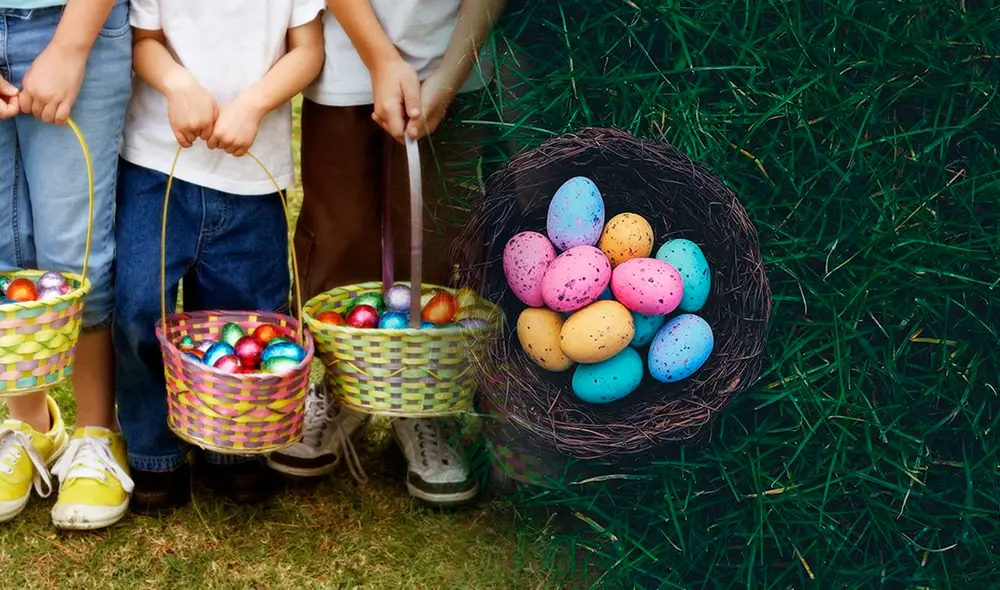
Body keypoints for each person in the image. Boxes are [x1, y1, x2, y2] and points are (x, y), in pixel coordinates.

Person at [267, 0, 505, 508]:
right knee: (338, 232)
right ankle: (337, 387)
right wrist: (379, 59)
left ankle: (424, 405)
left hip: (452, 63)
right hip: (346, 59)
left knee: (437, 238)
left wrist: (451, 72)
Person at [113, 0, 324, 513]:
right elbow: (145, 41)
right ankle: (152, 450)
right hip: (157, 163)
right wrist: (179, 85)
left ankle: (233, 448)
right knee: (141, 308)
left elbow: (308, 50)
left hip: (251, 175)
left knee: (249, 312)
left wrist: (253, 104)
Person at [0, 0, 132, 530]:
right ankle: (29, 425)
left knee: (74, 251)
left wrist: (71, 45)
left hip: (72, 18)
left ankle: (97, 432)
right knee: (5, 249)